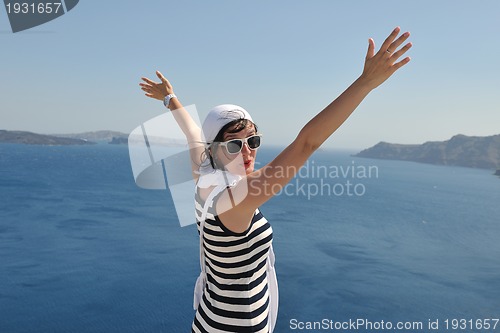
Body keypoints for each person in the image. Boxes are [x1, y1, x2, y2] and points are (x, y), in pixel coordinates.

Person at [139, 27, 412, 333]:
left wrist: (170, 98)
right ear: (214, 148)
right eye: (234, 144)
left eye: (252, 141)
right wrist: (365, 84)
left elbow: (192, 133)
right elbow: (306, 143)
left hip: (212, 322)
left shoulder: (205, 173)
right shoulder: (232, 198)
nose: (247, 152)